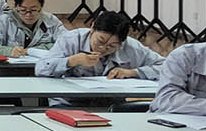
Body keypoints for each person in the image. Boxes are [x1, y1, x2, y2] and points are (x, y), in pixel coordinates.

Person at [35, 12, 165, 80]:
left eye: (112, 46)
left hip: (112, 103)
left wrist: (133, 72)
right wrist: (71, 61)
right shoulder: (71, 40)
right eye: (100, 41)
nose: (103, 48)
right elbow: (40, 69)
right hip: (68, 102)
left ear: (121, 42)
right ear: (92, 28)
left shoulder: (131, 47)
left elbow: (166, 67)